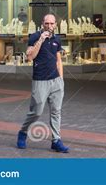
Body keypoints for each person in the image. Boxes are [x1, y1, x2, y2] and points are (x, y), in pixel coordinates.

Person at [17, 14, 69, 153]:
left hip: (56, 81)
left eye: (52, 24)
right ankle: (23, 132)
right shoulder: (34, 36)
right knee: (36, 112)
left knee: (56, 112)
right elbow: (30, 57)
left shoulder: (57, 39)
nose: (49, 26)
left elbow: (59, 60)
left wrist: (61, 80)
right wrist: (41, 39)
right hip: (40, 81)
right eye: (47, 23)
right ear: (42, 23)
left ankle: (56, 140)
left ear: (55, 25)